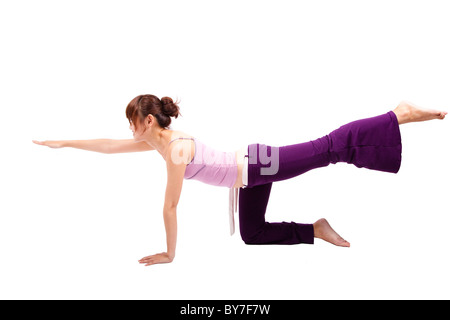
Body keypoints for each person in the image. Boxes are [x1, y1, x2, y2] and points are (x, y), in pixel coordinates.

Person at [32, 96, 447, 266]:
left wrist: (169, 254)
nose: (126, 129)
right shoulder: (158, 144)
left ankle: (398, 114)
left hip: (258, 165)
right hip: (248, 176)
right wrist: (65, 143)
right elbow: (109, 147)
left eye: (130, 121)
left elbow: (170, 206)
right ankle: (315, 229)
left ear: (146, 121)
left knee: (330, 148)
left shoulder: (175, 148)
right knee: (252, 233)